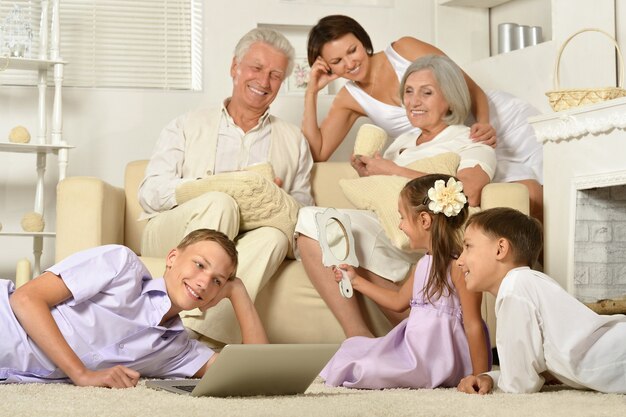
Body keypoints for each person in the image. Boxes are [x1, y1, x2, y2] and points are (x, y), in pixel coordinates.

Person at [296, 54, 496, 338]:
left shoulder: (469, 139)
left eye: (426, 92)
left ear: (450, 99)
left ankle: (424, 338)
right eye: (409, 92)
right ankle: (358, 337)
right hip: (387, 225)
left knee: (327, 228)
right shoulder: (401, 142)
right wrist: (371, 174)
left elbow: (467, 191)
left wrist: (390, 169)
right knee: (313, 224)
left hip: (423, 236)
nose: (414, 101)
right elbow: (386, 191)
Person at [138, 28, 314, 345]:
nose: (264, 81)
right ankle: (183, 326)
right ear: (235, 67)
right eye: (256, 68)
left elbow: (301, 218)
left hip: (243, 242)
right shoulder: (187, 125)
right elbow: (149, 194)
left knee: (275, 236)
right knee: (221, 202)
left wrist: (276, 198)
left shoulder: (293, 141)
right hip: (174, 230)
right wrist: (219, 186)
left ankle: (191, 333)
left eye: (275, 75)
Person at [303, 15, 543, 221]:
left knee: (539, 189)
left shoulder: (404, 49)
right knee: (501, 198)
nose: (350, 63)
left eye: (352, 50)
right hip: (448, 148)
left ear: (362, 40)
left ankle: (546, 263)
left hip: (487, 123)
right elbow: (318, 153)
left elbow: (469, 87)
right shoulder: (350, 98)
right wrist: (312, 91)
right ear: (328, 68)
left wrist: (484, 123)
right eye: (337, 62)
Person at [1, 229, 268, 388]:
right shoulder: (121, 265)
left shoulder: (176, 350)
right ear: (173, 258)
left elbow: (257, 373)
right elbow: (26, 299)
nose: (204, 282)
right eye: (199, 265)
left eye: (217, 281)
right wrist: (81, 374)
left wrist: (238, 292)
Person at [320, 174, 491, 389]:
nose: (400, 225)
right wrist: (356, 281)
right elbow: (397, 301)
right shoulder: (423, 264)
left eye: (402, 217)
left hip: (437, 359)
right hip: (414, 348)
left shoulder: (459, 268)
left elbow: (474, 323)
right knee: (351, 348)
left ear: (424, 221)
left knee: (366, 368)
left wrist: (482, 375)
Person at [456, 208, 626, 394]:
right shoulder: (526, 283)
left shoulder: (515, 288)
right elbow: (528, 371)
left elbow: (519, 383)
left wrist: (493, 378)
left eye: (468, 246)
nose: (459, 261)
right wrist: (489, 377)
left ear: (500, 249)